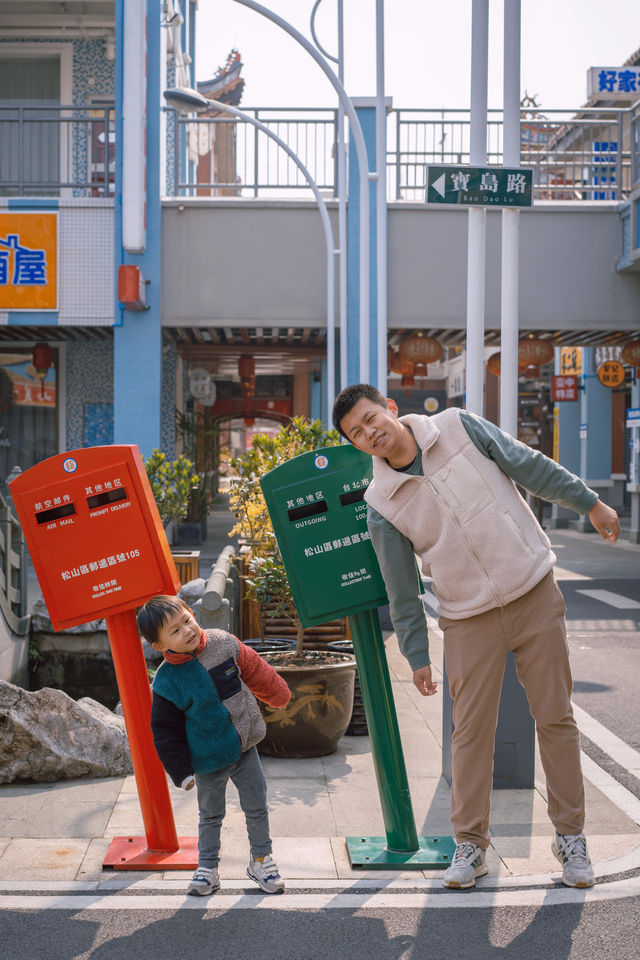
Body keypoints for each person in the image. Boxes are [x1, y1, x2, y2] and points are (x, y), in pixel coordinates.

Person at [332, 383, 620, 891]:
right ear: (355, 445)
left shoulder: (458, 427)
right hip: (467, 618)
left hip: (532, 588)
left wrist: (589, 502)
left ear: (391, 409)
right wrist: (415, 653)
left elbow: (528, 465)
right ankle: (470, 845)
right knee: (469, 734)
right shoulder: (381, 502)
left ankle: (571, 838)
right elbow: (400, 586)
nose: (370, 432)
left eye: (371, 418)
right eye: (357, 432)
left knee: (555, 717)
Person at [136, 594, 291, 896]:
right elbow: (165, 731)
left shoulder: (224, 643)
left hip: (245, 745)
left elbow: (255, 669)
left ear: (192, 613)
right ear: (159, 646)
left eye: (186, 620)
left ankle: (261, 859)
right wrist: (181, 771)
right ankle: (207, 868)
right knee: (210, 814)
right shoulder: (167, 682)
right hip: (206, 757)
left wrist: (279, 695)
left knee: (257, 804)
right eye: (176, 631)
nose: (188, 631)